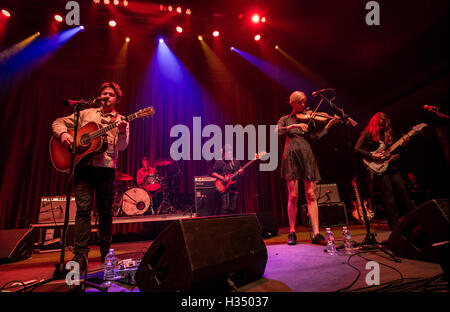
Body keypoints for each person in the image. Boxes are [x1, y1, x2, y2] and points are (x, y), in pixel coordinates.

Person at [52, 82, 129, 273]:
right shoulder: (86, 114)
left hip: (106, 169)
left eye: (111, 94)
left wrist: (121, 132)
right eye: (104, 93)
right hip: (84, 168)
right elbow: (58, 122)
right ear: (99, 96)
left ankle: (106, 252)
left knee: (105, 212)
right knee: (83, 210)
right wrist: (63, 135)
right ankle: (80, 255)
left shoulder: (121, 120)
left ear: (117, 99)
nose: (107, 96)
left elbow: (122, 147)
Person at [277, 91, 340, 245]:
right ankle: (292, 231)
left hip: (307, 156)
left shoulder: (309, 120)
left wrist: (330, 124)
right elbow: (276, 131)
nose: (304, 106)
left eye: (305, 102)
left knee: (311, 195)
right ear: (293, 103)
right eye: (300, 102)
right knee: (293, 196)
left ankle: (316, 233)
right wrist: (294, 125)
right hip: (291, 155)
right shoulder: (285, 119)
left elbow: (316, 137)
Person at [354, 112, 414, 230]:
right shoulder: (367, 134)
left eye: (384, 126)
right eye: (380, 125)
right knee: (389, 198)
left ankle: (415, 222)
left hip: (390, 166)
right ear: (375, 124)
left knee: (403, 192)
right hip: (379, 169)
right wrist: (372, 156)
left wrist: (400, 148)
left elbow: (392, 152)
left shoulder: (387, 135)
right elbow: (356, 149)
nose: (381, 128)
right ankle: (395, 228)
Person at [211, 145, 244, 215]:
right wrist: (222, 178)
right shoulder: (220, 162)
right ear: (223, 154)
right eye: (227, 154)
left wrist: (241, 172)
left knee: (233, 207)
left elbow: (240, 173)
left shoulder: (236, 161)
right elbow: (213, 173)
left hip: (234, 187)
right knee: (225, 207)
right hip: (224, 186)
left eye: (230, 153)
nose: (229, 156)